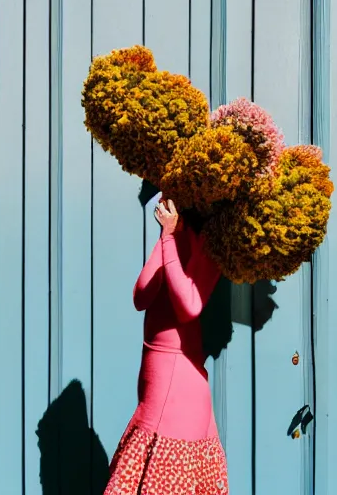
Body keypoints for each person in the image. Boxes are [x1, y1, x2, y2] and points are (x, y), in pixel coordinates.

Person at [103, 197, 229, 494]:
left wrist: (170, 238)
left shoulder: (208, 246)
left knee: (159, 482)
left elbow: (189, 305)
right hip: (158, 377)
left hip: (178, 384)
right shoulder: (173, 237)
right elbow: (141, 296)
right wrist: (166, 238)